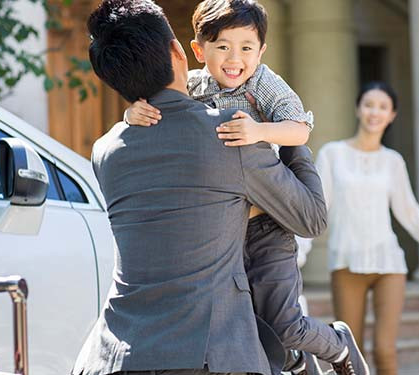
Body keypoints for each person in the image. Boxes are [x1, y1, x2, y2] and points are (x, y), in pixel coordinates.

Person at [72, 1, 363, 374]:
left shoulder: (105, 150)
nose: (234, 58)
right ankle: (297, 354)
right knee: (277, 315)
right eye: (223, 46)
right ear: (184, 51)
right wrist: (290, 143)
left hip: (111, 357)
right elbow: (311, 219)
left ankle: (293, 352)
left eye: (246, 47)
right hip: (209, 356)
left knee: (279, 316)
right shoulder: (229, 136)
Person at [307, 81, 419, 375]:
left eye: (383, 107)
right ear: (358, 109)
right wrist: (296, 252)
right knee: (350, 355)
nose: (374, 112)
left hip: (389, 264)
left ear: (392, 116)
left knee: (385, 350)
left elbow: (411, 215)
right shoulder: (332, 154)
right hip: (346, 264)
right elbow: (316, 209)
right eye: (369, 104)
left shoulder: (393, 161)